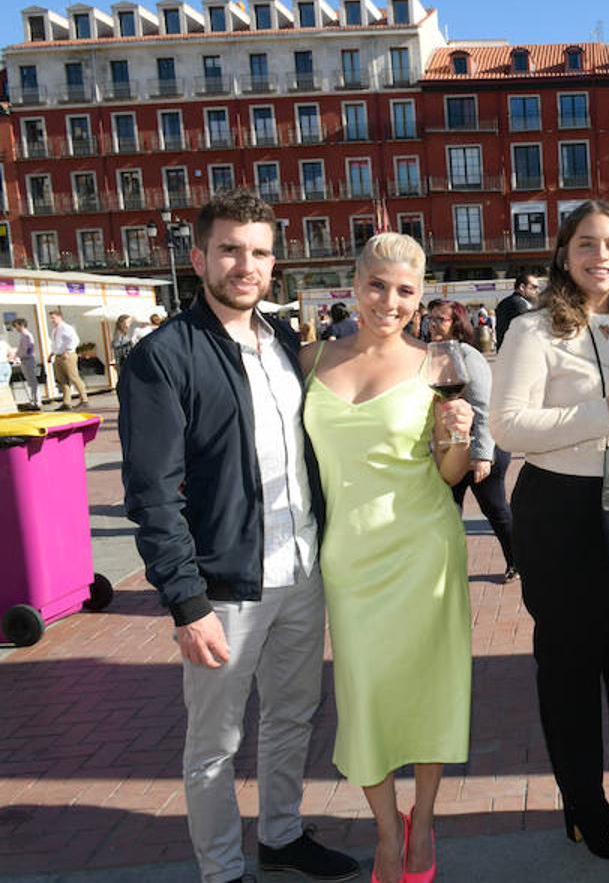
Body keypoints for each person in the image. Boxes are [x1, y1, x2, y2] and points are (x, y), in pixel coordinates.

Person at [118, 189, 359, 883]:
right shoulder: (164, 356)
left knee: (293, 714)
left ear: (273, 262)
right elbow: (151, 494)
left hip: (302, 568)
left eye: (257, 251)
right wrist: (185, 603)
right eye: (228, 249)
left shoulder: (284, 342)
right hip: (224, 586)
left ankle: (281, 835)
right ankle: (221, 870)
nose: (243, 264)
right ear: (199, 258)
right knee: (214, 743)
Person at [490, 200, 609, 860]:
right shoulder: (534, 330)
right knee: (570, 667)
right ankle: (583, 802)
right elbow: (508, 426)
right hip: (561, 508)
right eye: (586, 245)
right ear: (564, 255)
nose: (601, 256)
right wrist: (602, 411)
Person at [301, 233, 474, 883]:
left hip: (423, 551)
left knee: (428, 693)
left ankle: (422, 821)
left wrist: (458, 436)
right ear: (353, 285)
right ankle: (384, 828)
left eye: (405, 290)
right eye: (378, 285)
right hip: (346, 558)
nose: (390, 301)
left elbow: (452, 473)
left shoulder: (435, 364)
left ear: (419, 295)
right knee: (364, 699)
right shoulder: (309, 359)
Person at [429, 298, 518, 582]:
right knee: (448, 512)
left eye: (439, 319)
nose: (432, 324)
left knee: (496, 510)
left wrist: (482, 455)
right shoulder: (432, 354)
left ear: (455, 322)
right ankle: (449, 568)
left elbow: (482, 407)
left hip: (482, 447)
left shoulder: (468, 355)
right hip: (451, 448)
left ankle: (518, 561)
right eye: (430, 319)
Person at [48, 309, 88, 409]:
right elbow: (56, 344)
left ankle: (84, 399)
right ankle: (66, 402)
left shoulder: (66, 327)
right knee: (62, 380)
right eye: (51, 318)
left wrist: (68, 350)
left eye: (53, 318)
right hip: (58, 356)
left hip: (67, 356)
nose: (52, 320)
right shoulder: (55, 330)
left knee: (74, 377)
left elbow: (74, 340)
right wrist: (51, 354)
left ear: (59, 317)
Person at [495, 271, 539, 349]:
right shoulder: (519, 304)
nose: (537, 291)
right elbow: (530, 330)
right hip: (517, 352)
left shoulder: (506, 301)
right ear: (522, 287)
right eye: (534, 287)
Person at [11, 318, 41, 407]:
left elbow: (29, 348)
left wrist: (21, 355)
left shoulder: (27, 335)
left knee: (32, 381)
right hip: (25, 360)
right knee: (30, 382)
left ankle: (36, 402)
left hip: (28, 360)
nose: (16, 328)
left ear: (21, 325)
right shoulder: (23, 335)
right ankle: (34, 401)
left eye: (16, 326)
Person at [111, 314, 135, 381]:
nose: (130, 324)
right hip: (123, 362)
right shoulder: (119, 334)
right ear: (122, 323)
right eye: (128, 322)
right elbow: (115, 345)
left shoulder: (123, 333)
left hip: (123, 361)